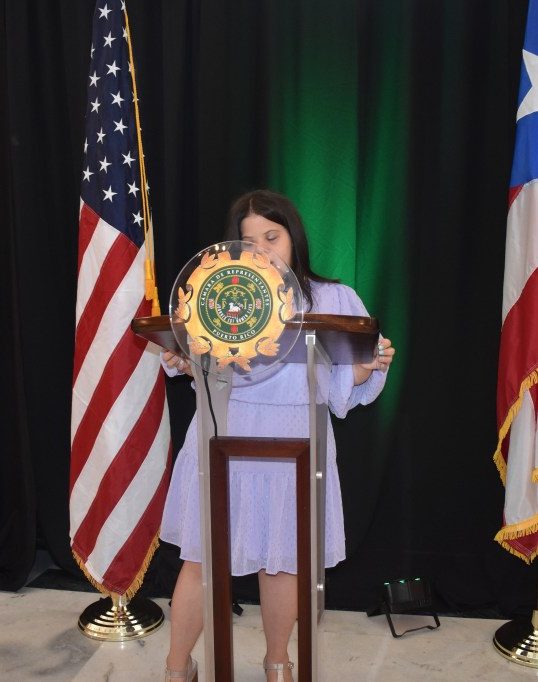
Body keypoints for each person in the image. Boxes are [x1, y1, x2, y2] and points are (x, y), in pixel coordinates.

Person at [161, 190, 395, 682]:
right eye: (250, 241)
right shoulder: (218, 295)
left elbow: (344, 383)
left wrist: (366, 367)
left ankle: (277, 663)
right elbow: (196, 361)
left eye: (272, 237)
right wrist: (183, 359)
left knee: (284, 560)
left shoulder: (332, 298)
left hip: (295, 444)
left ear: (294, 237)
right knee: (201, 560)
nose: (263, 250)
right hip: (225, 437)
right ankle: (177, 668)